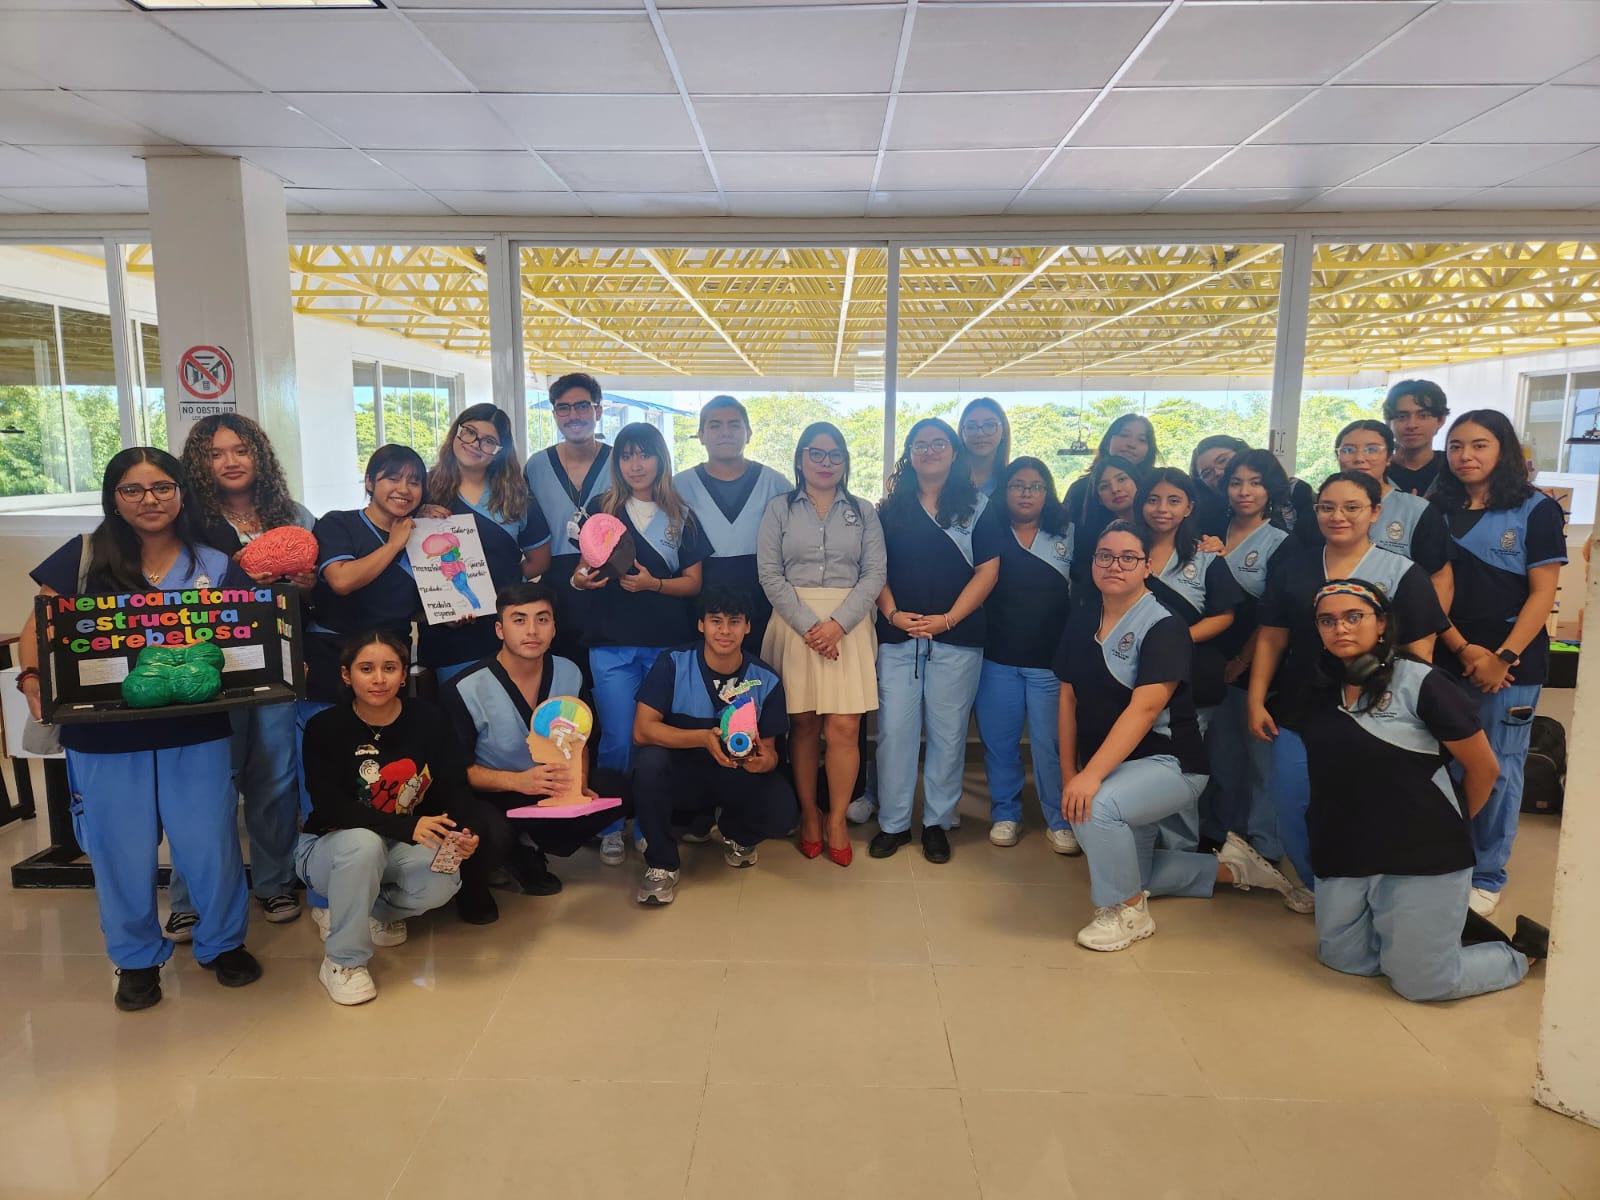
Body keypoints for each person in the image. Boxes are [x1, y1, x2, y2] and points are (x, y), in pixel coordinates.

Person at [16, 448, 262, 1011]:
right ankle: (135, 960)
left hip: (195, 729)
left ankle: (223, 944)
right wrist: (32, 677)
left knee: (210, 844)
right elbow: (39, 626)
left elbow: (252, 630)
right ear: (114, 497)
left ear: (182, 493)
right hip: (103, 735)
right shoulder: (83, 556)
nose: (149, 499)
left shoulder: (215, 561)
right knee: (119, 851)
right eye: (133, 489)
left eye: (162, 487)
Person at [1057, 522, 1301, 952]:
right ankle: (1235, 869)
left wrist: (1089, 777)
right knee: (1134, 869)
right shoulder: (1082, 617)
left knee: (1094, 809)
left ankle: (1128, 913)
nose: (1115, 565)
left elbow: (1145, 709)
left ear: (1147, 567)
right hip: (1114, 765)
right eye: (1104, 556)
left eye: (1128, 558)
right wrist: (1068, 773)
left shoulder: (1164, 625)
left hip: (1171, 764)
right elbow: (1067, 696)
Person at [1301, 579, 1540, 1000]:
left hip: (1421, 851)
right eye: (1327, 620)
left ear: (1382, 624)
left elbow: (1484, 768)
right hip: (1345, 849)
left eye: (1354, 616)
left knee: (1424, 983)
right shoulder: (1319, 688)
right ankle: (1437, 934)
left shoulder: (1424, 683)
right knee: (1345, 960)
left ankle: (1521, 953)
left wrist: (1451, 824)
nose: (1340, 628)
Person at [1249, 471, 1450, 898]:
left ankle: (1360, 888)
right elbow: (1271, 637)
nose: (1337, 516)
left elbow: (1420, 653)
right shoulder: (1294, 568)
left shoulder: (1403, 573)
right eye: (1327, 507)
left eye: (1351, 507)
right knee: (1293, 801)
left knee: (1362, 805)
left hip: (1376, 715)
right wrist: (1255, 698)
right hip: (1301, 707)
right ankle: (1315, 884)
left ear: (1375, 512)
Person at [168, 413, 315, 934]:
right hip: (208, 665)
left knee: (275, 777)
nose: (230, 462)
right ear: (199, 464)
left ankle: (275, 883)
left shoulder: (294, 515)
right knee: (209, 783)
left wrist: (306, 584)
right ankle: (191, 894)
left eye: (240, 450)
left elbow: (310, 599)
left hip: (276, 661)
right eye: (215, 453)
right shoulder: (184, 520)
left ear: (260, 455)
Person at [1430, 410, 1566, 915]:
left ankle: (1486, 873)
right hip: (1448, 652)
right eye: (1457, 446)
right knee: (1443, 760)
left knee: (1498, 765)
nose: (1466, 455)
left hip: (1510, 666)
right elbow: (1431, 592)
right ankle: (1443, 859)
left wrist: (1503, 656)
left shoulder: (1536, 509)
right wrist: (1461, 647)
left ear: (1504, 450)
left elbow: (1542, 593)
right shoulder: (1437, 509)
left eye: (1479, 445)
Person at [297, 631, 479, 1005]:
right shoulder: (324, 727)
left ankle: (370, 910)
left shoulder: (429, 718)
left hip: (398, 845)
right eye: (366, 669)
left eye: (390, 668)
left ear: (403, 673)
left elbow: (453, 785)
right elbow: (331, 807)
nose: (379, 679)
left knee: (443, 876)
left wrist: (462, 834)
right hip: (331, 848)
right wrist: (408, 826)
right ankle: (342, 962)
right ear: (347, 675)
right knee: (363, 844)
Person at [441, 583, 633, 914]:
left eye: (542, 619)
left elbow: (580, 737)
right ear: (499, 629)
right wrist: (519, 782)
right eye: (519, 620)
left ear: (554, 627)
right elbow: (457, 772)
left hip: (548, 786)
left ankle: (527, 847)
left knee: (619, 789)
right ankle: (472, 883)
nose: (532, 630)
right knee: (490, 831)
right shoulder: (464, 688)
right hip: (490, 794)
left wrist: (578, 783)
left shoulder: (569, 672)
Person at [571, 421, 711, 866]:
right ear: (617, 462)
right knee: (616, 737)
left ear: (660, 460)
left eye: (644, 454)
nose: (636, 464)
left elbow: (693, 584)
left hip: (667, 647)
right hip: (611, 645)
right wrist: (580, 581)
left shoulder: (681, 514)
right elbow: (581, 569)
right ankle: (611, 825)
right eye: (627, 455)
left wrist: (654, 585)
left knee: (655, 741)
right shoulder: (601, 509)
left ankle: (650, 825)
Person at [871, 417, 1000, 863]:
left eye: (938, 443)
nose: (929, 451)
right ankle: (893, 823)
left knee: (948, 734)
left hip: (957, 637)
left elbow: (988, 571)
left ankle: (937, 823)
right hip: (898, 636)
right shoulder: (890, 509)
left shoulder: (978, 506)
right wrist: (892, 614)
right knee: (894, 732)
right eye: (920, 444)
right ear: (909, 454)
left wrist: (948, 620)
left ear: (953, 451)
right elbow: (875, 569)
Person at [756, 422, 886, 865]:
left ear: (845, 462)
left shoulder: (864, 511)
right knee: (804, 725)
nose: (826, 463)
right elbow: (769, 574)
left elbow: (875, 573)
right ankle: (809, 814)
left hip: (848, 627)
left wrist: (837, 626)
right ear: (800, 459)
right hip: (793, 625)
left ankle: (836, 819)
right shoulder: (779, 509)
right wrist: (811, 627)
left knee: (845, 728)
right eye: (817, 453)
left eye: (835, 455)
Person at [631, 587, 799, 906]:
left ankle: (735, 831)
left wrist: (762, 761)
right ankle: (662, 864)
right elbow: (642, 730)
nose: (724, 631)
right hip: (682, 774)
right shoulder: (673, 663)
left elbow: (771, 753)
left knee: (783, 812)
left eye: (734, 622)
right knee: (649, 763)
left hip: (733, 774)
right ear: (701, 625)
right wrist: (701, 738)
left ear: (747, 626)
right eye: (715, 621)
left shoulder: (766, 679)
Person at [972, 457, 1078, 853]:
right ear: (1005, 491)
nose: (1026, 494)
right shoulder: (990, 531)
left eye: (1036, 486)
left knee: (1053, 745)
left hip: (1051, 663)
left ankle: (1060, 819)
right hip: (997, 659)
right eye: (1017, 485)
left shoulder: (1068, 532)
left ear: (1047, 492)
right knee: (1000, 743)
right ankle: (1005, 813)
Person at [417, 403, 552, 682]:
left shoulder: (517, 498)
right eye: (469, 432)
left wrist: (501, 583)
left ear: (500, 450)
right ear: (456, 432)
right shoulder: (423, 491)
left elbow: (540, 561)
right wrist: (417, 518)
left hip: (503, 626)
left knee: (510, 702)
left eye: (488, 441)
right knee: (458, 705)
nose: (475, 444)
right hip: (448, 632)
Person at [1202, 450, 1294, 860]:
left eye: (1255, 483)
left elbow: (1273, 616)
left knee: (1261, 760)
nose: (1245, 491)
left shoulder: (1282, 543)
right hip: (1212, 662)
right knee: (1222, 756)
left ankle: (1263, 846)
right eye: (1236, 482)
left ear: (1270, 489)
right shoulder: (1209, 532)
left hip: (1258, 667)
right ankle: (1220, 830)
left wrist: (1241, 661)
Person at [304, 444, 425, 710]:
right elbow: (342, 581)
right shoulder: (338, 524)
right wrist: (394, 544)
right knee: (327, 731)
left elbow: (414, 605)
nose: (404, 489)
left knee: (388, 734)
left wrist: (453, 613)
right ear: (369, 482)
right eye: (392, 478)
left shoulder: (424, 536)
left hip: (393, 658)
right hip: (334, 654)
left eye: (414, 482)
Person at [673, 395, 790, 653]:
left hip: (761, 607)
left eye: (734, 424)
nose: (725, 432)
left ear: (749, 433)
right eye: (715, 425)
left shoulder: (775, 484)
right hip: (698, 610)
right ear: (701, 435)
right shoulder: (677, 487)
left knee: (758, 673)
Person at [525, 372, 613, 668]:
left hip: (610, 582)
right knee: (562, 675)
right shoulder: (537, 466)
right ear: (554, 414)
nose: (573, 415)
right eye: (563, 408)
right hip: (556, 587)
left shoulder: (620, 463)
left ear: (598, 411)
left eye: (582, 406)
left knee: (607, 678)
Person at [1332, 418, 1452, 611]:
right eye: (1348, 450)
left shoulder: (1417, 510)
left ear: (1389, 457)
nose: (1359, 458)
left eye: (1372, 449)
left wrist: (1430, 626)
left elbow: (1440, 576)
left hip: (1401, 621)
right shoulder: (1323, 511)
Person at [1063, 414, 1156, 552]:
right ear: (1107, 443)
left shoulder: (1157, 485)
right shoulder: (1080, 489)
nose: (1131, 444)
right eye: (1124, 435)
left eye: (1142, 439)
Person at [1071, 454, 1141, 591]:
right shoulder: (1094, 538)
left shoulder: (1159, 526)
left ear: (1137, 482)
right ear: (1099, 499)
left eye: (1121, 479)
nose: (1115, 489)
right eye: (1104, 486)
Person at [1385, 379, 1450, 497]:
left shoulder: (1452, 466)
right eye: (1402, 416)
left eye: (1423, 415)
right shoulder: (1378, 470)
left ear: (1440, 420)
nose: (1412, 425)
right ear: (1388, 422)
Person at [1189, 435, 1251, 539]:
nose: (1218, 473)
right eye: (1207, 473)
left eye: (1222, 461)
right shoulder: (1205, 526)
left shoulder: (1276, 502)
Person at [958, 397, 1011, 497]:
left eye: (990, 425)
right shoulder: (945, 479)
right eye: (971, 427)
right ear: (961, 433)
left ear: (1003, 431)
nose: (980, 433)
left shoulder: (1013, 481)